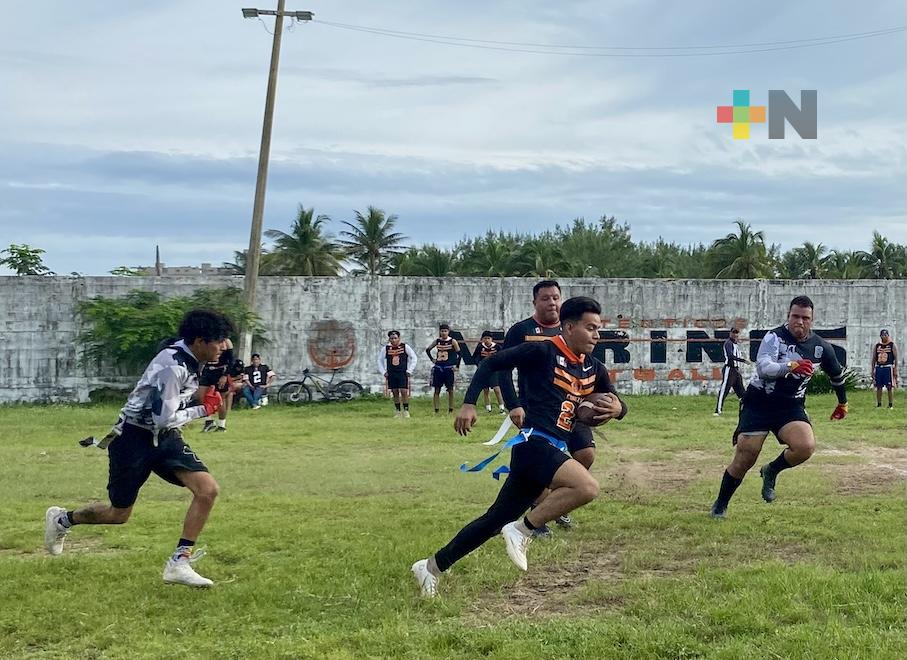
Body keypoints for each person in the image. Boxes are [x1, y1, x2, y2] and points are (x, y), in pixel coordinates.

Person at [411, 297, 627, 598]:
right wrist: (470, 403)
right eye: (590, 328)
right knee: (586, 487)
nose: (596, 335)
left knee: (493, 520)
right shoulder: (542, 350)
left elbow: (618, 403)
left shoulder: (594, 368)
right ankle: (522, 529)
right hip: (532, 443)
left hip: (552, 448)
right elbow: (491, 363)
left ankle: (431, 567)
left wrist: (617, 409)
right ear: (568, 326)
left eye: (598, 329)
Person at [44, 309, 233, 587]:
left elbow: (173, 409)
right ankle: (62, 520)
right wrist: (203, 409)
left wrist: (211, 390)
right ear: (200, 340)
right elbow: (164, 417)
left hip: (165, 437)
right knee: (118, 514)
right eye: (218, 341)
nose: (223, 346)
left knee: (207, 490)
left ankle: (179, 562)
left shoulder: (193, 357)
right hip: (132, 439)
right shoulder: (172, 366)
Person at [709, 296, 849, 519]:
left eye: (805, 318)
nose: (799, 322)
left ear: (812, 320)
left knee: (805, 446)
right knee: (747, 456)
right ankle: (721, 504)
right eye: (795, 316)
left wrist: (842, 402)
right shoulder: (774, 337)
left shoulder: (820, 347)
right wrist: (791, 365)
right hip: (759, 402)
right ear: (788, 316)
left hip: (790, 405)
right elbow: (764, 368)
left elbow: (836, 376)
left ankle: (771, 470)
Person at [501, 279, 596, 534]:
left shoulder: (574, 330)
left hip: (572, 408)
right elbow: (502, 369)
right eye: (545, 298)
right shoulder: (521, 330)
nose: (552, 302)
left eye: (556, 297)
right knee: (543, 460)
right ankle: (538, 514)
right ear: (535, 302)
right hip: (538, 410)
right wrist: (513, 404)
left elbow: (589, 366)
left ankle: (552, 503)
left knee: (586, 454)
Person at [199, 338, 238, 432]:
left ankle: (221, 425)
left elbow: (231, 360)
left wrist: (225, 375)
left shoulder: (226, 341)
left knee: (221, 398)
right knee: (201, 396)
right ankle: (209, 421)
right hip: (208, 370)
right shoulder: (207, 338)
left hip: (220, 370)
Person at [378, 330, 418, 418]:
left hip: (402, 372)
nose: (393, 340)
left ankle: (406, 410)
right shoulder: (386, 348)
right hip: (391, 372)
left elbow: (414, 357)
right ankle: (398, 411)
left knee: (404, 391)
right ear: (389, 339)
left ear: (399, 338)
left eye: (395, 338)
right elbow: (380, 360)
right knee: (395, 392)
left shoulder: (405, 347)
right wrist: (383, 372)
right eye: (391, 338)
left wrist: (409, 370)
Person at [425, 324, 461, 414]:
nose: (444, 333)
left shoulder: (453, 341)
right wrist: (432, 359)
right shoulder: (437, 341)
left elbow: (459, 354)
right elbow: (428, 349)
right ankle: (436, 410)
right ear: (440, 332)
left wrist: (457, 366)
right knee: (437, 389)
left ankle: (451, 409)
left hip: (449, 368)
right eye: (442, 331)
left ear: (448, 332)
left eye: (445, 331)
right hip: (439, 367)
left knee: (450, 389)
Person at [714, 327, 750, 416]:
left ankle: (745, 411)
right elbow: (730, 356)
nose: (735, 335)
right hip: (729, 369)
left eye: (737, 333)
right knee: (724, 390)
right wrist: (743, 360)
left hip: (736, 370)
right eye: (734, 333)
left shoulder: (736, 345)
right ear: (730, 333)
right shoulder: (728, 343)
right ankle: (717, 410)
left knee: (741, 392)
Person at [472, 331, 505, 414]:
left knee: (497, 389)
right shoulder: (480, 347)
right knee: (485, 390)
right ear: (482, 339)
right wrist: (479, 364)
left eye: (488, 338)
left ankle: (502, 408)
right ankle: (488, 409)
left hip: (494, 371)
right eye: (485, 338)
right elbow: (475, 357)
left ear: (491, 339)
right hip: (484, 371)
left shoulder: (497, 347)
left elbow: (503, 356)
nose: (487, 340)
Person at [871, 329, 899, 409]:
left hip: (888, 367)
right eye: (882, 335)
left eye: (885, 335)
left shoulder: (892, 345)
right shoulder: (877, 346)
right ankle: (879, 404)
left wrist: (895, 369)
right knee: (878, 386)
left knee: (889, 387)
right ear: (880, 336)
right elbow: (874, 358)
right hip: (879, 367)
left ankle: (890, 404)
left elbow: (896, 358)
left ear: (888, 335)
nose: (884, 337)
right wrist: (872, 369)